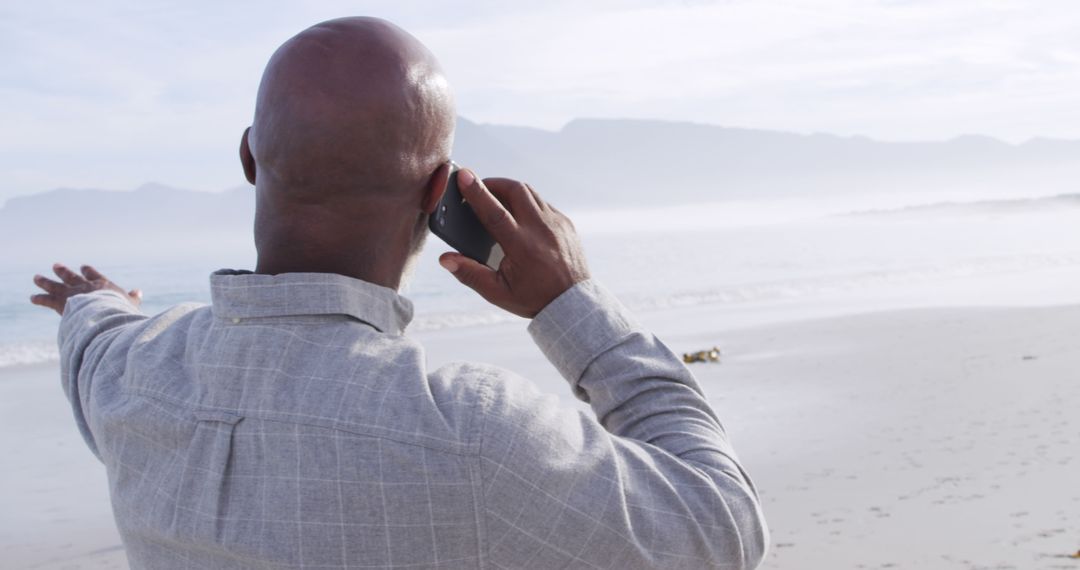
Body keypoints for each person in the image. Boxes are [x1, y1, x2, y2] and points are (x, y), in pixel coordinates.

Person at [29, 16, 768, 570]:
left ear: (251, 157)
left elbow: (91, 333)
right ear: (442, 194)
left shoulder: (131, 377)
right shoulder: (471, 433)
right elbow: (719, 528)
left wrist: (95, 300)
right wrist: (569, 302)